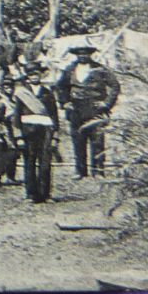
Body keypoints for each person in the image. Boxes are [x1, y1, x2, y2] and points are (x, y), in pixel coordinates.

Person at [60, 43, 120, 178]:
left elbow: (115, 86)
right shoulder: (69, 70)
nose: (82, 56)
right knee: (78, 140)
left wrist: (106, 103)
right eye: (80, 53)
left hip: (95, 109)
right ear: (76, 55)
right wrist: (65, 102)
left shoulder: (100, 69)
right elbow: (61, 87)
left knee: (97, 140)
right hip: (76, 109)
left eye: (85, 53)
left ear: (90, 55)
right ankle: (80, 171)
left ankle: (98, 170)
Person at [12, 62, 62, 203]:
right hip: (28, 132)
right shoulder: (22, 94)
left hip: (45, 131)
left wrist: (55, 136)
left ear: (41, 75)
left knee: (45, 163)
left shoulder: (48, 93)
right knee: (29, 163)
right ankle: (31, 194)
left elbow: (54, 115)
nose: (34, 77)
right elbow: (16, 116)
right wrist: (19, 137)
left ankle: (45, 194)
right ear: (27, 77)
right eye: (31, 75)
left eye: (36, 74)